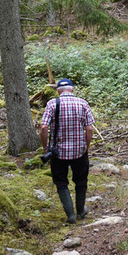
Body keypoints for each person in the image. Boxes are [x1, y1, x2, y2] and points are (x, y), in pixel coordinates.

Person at [40, 78, 95, 224]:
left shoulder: (52, 104)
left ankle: (70, 215)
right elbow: (89, 128)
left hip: (58, 153)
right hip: (79, 152)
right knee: (81, 181)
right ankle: (81, 210)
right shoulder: (83, 103)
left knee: (61, 182)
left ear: (58, 91)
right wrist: (86, 147)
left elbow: (44, 128)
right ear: (72, 89)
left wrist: (45, 148)